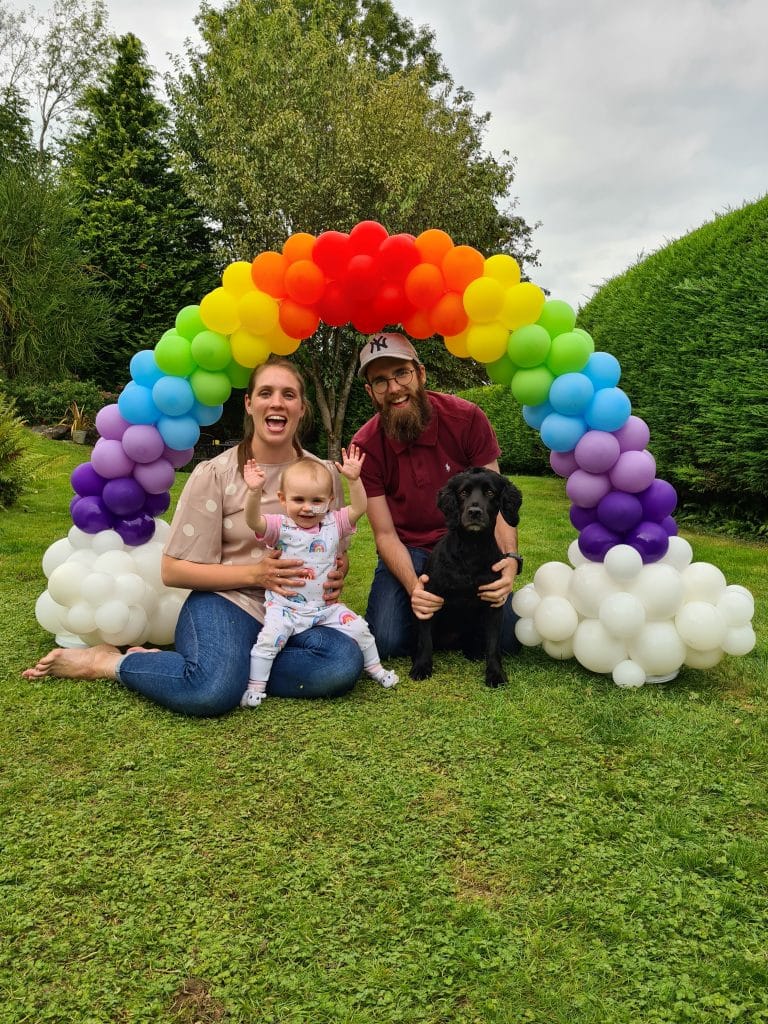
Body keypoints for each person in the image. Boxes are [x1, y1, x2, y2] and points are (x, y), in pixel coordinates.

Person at [22, 358, 366, 716]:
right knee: (209, 692)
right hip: (225, 602)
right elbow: (173, 571)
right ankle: (108, 662)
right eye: (266, 393)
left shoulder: (323, 475)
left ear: (301, 408)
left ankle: (225, 665)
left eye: (288, 394)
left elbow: (332, 547)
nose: (277, 402)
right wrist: (255, 574)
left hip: (297, 612)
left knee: (341, 663)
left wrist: (338, 568)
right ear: (249, 404)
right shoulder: (215, 474)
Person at [350, 332, 523, 660]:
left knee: (508, 639)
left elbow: (496, 501)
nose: (395, 388)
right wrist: (415, 588)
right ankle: (449, 621)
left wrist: (510, 562)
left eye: (402, 373)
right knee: (386, 641)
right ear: (370, 392)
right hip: (409, 549)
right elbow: (385, 534)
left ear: (421, 373)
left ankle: (456, 619)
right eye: (381, 381)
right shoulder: (365, 445)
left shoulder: (468, 418)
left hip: (472, 545)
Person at [240, 444, 398, 707]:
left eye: (316, 501)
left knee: (361, 628)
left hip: (326, 608)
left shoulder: (333, 523)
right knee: (268, 640)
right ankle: (256, 688)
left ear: (328, 501)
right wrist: (254, 491)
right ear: (282, 499)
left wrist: (354, 480)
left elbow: (359, 507)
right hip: (286, 606)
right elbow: (253, 521)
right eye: (298, 500)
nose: (307, 508)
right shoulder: (281, 526)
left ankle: (376, 669)